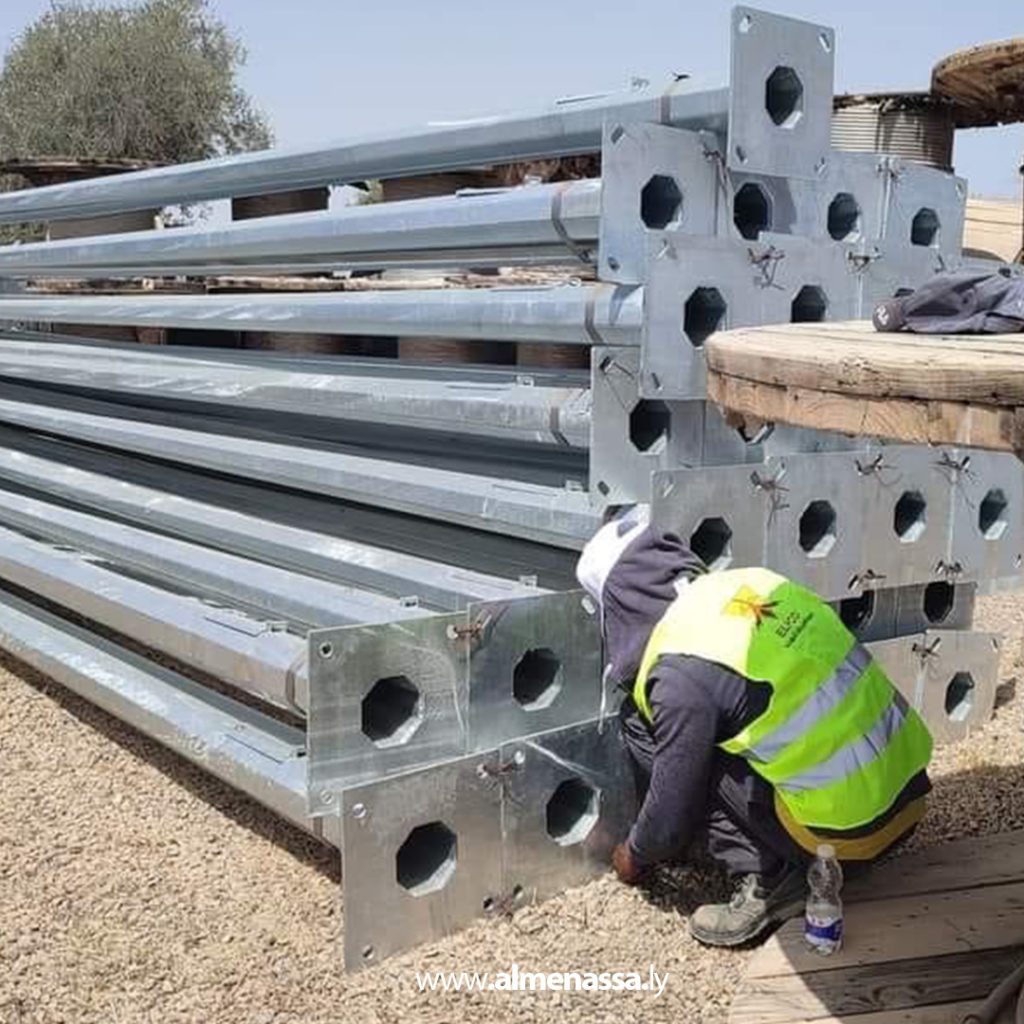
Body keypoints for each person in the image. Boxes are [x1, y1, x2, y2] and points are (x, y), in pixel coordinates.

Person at [576, 505, 933, 947]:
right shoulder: (754, 583)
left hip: (846, 841)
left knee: (648, 728)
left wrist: (635, 852)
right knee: (732, 721)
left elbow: (671, 810)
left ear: (620, 602)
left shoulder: (678, 671)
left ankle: (770, 877)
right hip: (908, 802)